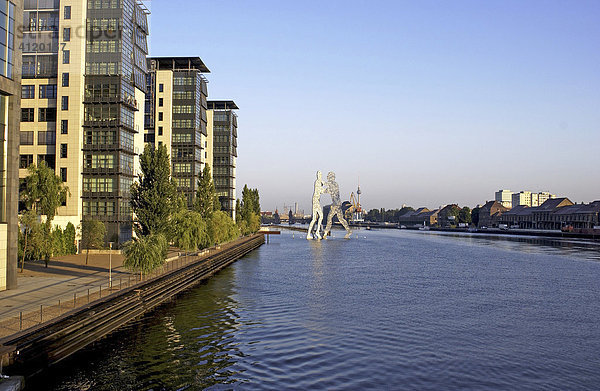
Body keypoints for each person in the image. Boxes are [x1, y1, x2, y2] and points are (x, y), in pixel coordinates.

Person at [323, 172, 352, 239]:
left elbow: (327, 187)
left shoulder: (333, 184)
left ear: (331, 177)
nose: (327, 178)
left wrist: (321, 183)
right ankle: (349, 230)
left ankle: (325, 233)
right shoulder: (334, 184)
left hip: (336, 204)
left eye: (328, 177)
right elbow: (327, 190)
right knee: (341, 219)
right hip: (337, 204)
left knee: (329, 217)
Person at [307, 171, 326, 240]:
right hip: (316, 201)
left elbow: (321, 190)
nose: (319, 175)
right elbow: (321, 191)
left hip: (315, 200)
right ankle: (317, 231)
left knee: (314, 219)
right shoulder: (317, 182)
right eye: (318, 174)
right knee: (321, 216)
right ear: (317, 175)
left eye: (320, 174)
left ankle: (309, 233)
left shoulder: (317, 182)